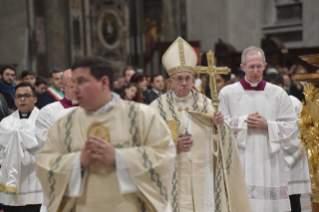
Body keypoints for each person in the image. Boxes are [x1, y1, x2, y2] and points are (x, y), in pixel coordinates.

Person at [35, 56, 175, 211]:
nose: (74, 89)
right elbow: (44, 163)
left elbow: (164, 155)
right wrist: (77, 162)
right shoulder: (64, 125)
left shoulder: (143, 117)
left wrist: (119, 158)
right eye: (73, 83)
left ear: (104, 83)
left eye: (81, 82)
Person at [150, 37, 251, 212]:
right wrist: (172, 145)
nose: (184, 84)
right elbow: (145, 147)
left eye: (187, 79)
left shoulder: (206, 105)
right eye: (179, 79)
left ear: (193, 79)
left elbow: (223, 141)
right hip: (172, 180)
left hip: (203, 177)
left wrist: (219, 126)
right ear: (170, 82)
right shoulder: (155, 110)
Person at [219, 46, 298, 212]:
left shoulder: (277, 93)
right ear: (242, 67)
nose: (255, 71)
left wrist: (267, 125)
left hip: (268, 160)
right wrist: (242, 122)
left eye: (259, 66)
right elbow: (219, 126)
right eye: (251, 66)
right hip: (240, 158)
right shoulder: (228, 93)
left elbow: (292, 126)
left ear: (265, 65)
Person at [264, 73, 311, 212]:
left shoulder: (293, 102)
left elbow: (298, 133)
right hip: (274, 160)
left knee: (292, 202)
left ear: (279, 86)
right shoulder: (269, 103)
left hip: (290, 162)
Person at [0, 82, 43, 212]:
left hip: (35, 180)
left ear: (35, 99)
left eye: (26, 96)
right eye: (18, 96)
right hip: (11, 184)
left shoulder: (44, 120)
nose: (22, 99)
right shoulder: (5, 123)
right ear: (15, 100)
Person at [36, 69, 79, 148]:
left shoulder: (95, 109)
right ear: (63, 87)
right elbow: (43, 141)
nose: (78, 90)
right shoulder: (48, 111)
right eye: (73, 87)